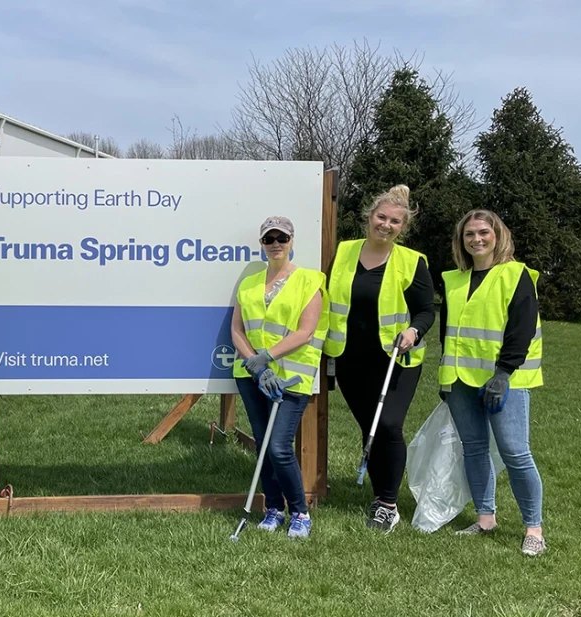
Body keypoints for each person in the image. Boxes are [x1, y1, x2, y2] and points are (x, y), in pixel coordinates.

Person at [324, 184, 435, 532]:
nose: (386, 225)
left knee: (388, 425)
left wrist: (414, 332)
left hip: (394, 361)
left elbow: (426, 311)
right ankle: (378, 494)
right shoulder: (343, 252)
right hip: (349, 359)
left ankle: (389, 503)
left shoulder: (411, 262)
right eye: (381, 217)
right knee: (369, 427)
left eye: (395, 221)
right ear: (369, 217)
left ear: (404, 227)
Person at [439, 209, 545, 556]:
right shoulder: (454, 280)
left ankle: (534, 528)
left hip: (505, 380)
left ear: (497, 236)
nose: (477, 239)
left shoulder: (515, 275)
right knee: (474, 449)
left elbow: (522, 328)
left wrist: (503, 373)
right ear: (461, 240)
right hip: (460, 379)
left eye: (484, 232)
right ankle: (486, 518)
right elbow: (449, 333)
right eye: (469, 234)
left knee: (515, 453)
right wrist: (445, 377)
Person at [230, 216, 328, 539]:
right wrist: (257, 366)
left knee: (279, 448)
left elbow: (306, 331)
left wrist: (268, 357)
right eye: (268, 239)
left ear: (291, 241)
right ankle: (273, 507)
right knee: (262, 446)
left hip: (289, 380)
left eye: (281, 238)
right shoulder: (248, 283)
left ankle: (300, 512)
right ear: (261, 244)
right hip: (253, 377)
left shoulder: (310, 280)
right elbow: (237, 331)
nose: (275, 244)